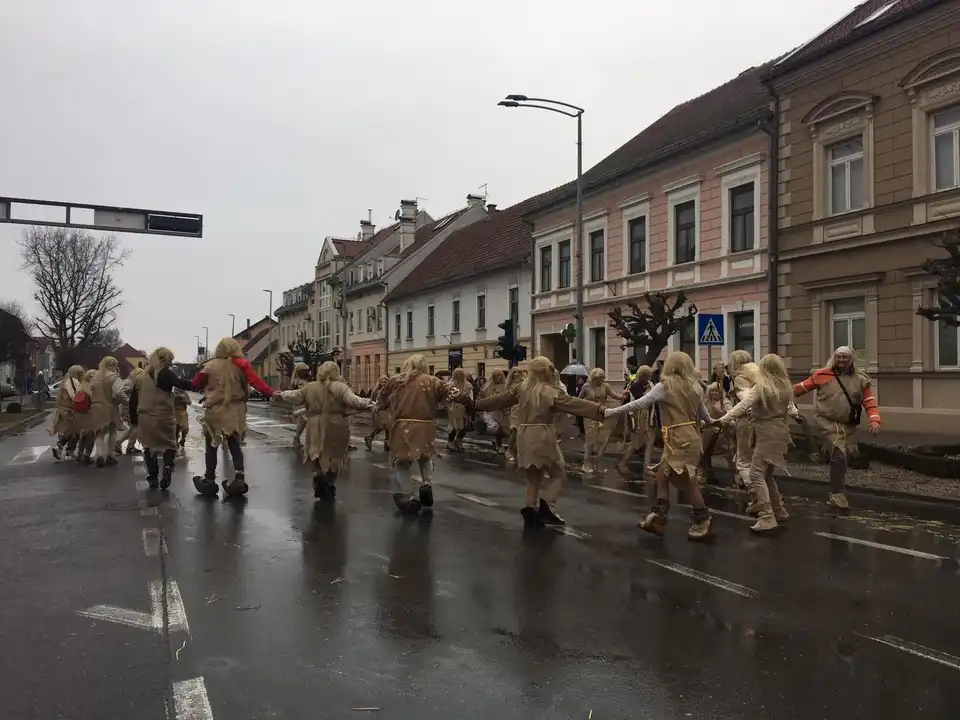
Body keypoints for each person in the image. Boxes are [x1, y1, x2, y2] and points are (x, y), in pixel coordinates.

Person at [474, 356, 606, 528]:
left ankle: (530, 507)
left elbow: (500, 400)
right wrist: (601, 411)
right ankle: (549, 505)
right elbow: (575, 404)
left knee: (532, 477)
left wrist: (477, 404)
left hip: (524, 433)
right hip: (543, 433)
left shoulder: (520, 389)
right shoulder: (552, 392)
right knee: (557, 472)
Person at [606, 352, 714, 540]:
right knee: (662, 476)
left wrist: (611, 412)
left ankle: (703, 520)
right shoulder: (696, 387)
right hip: (688, 437)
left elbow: (638, 404)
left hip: (678, 439)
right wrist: (717, 421)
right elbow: (705, 416)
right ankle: (658, 516)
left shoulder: (665, 386)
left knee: (687, 483)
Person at [715, 354, 806, 532]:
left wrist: (723, 420)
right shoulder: (785, 387)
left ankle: (767, 516)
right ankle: (779, 510)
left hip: (765, 432)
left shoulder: (762, 387)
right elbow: (791, 408)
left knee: (756, 473)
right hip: (780, 432)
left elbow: (742, 406)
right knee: (767, 475)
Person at [376, 354, 468, 514]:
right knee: (425, 457)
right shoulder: (432, 381)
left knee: (402, 463)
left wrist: (381, 406)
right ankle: (426, 484)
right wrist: (466, 400)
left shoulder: (397, 381)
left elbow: (381, 398)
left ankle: (409, 496)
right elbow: (451, 391)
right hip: (425, 425)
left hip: (402, 425)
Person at [190, 337, 281, 497]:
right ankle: (239, 477)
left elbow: (196, 383)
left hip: (215, 410)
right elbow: (255, 381)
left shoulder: (209, 366)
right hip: (235, 409)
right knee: (234, 444)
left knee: (212, 444)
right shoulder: (242, 364)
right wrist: (271, 392)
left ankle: (209, 479)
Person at [793, 346, 880, 510]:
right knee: (839, 454)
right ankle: (837, 494)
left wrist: (875, 421)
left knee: (844, 457)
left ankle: (835, 486)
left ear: (851, 359)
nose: (841, 360)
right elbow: (799, 389)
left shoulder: (861, 379)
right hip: (827, 421)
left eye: (844, 357)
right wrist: (779, 395)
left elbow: (869, 402)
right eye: (838, 357)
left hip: (848, 425)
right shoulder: (822, 375)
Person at [280, 360, 375, 499]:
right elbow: (353, 400)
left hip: (314, 424)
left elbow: (295, 396)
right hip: (336, 424)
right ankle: (330, 482)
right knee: (335, 455)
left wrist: (281, 394)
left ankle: (319, 476)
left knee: (315, 452)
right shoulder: (340, 387)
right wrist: (370, 403)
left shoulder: (310, 387)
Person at [131, 347, 196, 490]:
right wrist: (200, 382)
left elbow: (133, 400)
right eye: (170, 360)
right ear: (165, 360)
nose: (170, 363)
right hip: (164, 416)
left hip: (145, 417)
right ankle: (167, 465)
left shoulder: (141, 377)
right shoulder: (166, 374)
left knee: (149, 447)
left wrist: (134, 420)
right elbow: (182, 384)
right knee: (170, 444)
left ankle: (153, 477)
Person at [88, 356, 129, 468]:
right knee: (112, 431)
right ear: (113, 365)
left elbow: (89, 392)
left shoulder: (95, 377)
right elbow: (118, 393)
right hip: (110, 407)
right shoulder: (114, 377)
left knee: (99, 433)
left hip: (96, 407)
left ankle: (100, 455)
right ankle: (110, 455)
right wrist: (127, 402)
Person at [578, 368, 620, 474]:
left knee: (604, 440)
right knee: (590, 440)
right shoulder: (586, 386)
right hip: (589, 415)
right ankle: (586, 463)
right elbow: (579, 399)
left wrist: (623, 395)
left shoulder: (606, 386)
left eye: (602, 378)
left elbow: (614, 395)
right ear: (593, 378)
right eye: (598, 378)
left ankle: (598, 462)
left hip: (603, 415)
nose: (601, 380)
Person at [618, 365, 653, 476]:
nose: (649, 378)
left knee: (649, 442)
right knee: (636, 443)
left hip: (647, 416)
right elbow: (641, 400)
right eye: (647, 376)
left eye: (650, 376)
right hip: (636, 418)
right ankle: (623, 463)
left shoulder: (648, 385)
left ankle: (646, 468)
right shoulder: (634, 385)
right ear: (641, 375)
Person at [49, 365, 86, 460]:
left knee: (70, 430)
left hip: (65, 409)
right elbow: (75, 396)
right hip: (70, 410)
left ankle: (64, 448)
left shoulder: (66, 380)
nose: (82, 374)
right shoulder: (72, 381)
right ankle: (64, 448)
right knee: (74, 431)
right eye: (80, 373)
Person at [115, 367, 144, 455]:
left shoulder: (131, 382)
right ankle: (124, 444)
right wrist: (128, 400)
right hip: (128, 407)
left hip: (129, 406)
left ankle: (129, 445)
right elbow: (121, 393)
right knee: (136, 427)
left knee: (133, 427)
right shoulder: (129, 383)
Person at [445, 367, 474, 452]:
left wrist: (470, 405)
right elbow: (447, 397)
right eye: (459, 374)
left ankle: (458, 441)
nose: (461, 376)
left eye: (462, 374)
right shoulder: (450, 385)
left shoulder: (468, 385)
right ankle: (450, 442)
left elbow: (471, 397)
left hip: (465, 408)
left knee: (465, 426)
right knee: (454, 426)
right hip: (453, 407)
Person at [364, 375, 392, 451]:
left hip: (386, 411)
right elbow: (374, 402)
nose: (383, 383)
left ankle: (386, 444)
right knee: (383, 426)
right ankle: (371, 438)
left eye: (385, 382)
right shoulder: (376, 391)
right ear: (379, 382)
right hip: (379, 412)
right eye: (382, 382)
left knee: (387, 427)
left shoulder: (389, 391)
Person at [289, 362, 311, 448]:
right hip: (301, 404)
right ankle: (297, 439)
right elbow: (302, 393)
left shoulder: (302, 381)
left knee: (303, 423)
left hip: (303, 404)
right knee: (303, 422)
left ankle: (298, 439)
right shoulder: (298, 382)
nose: (307, 373)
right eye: (304, 371)